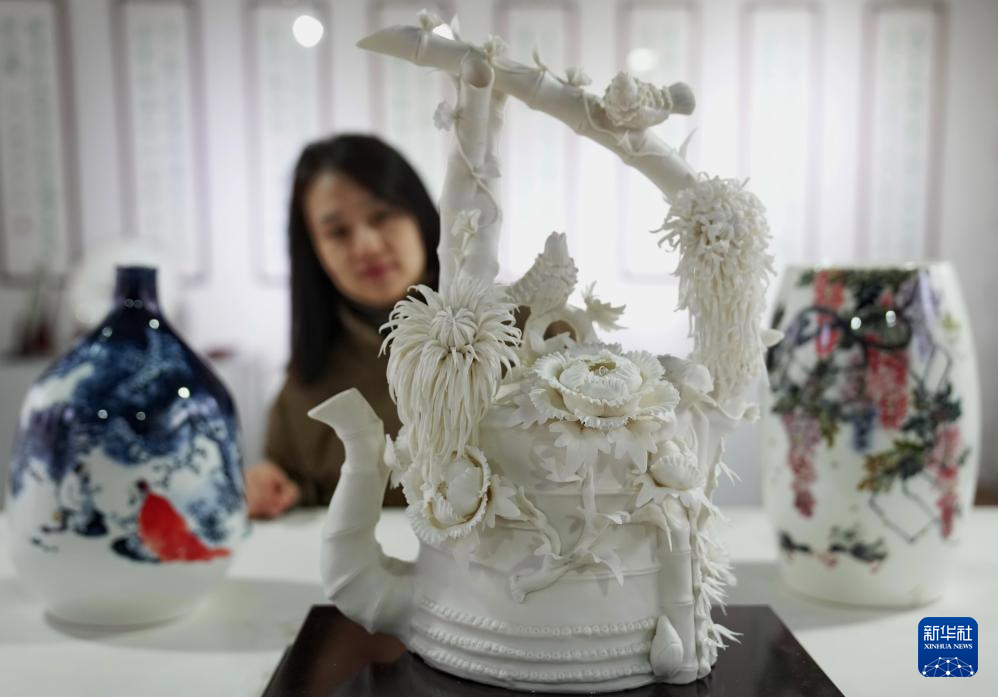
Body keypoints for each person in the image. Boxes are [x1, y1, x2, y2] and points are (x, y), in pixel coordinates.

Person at [244, 135, 439, 519]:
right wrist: (274, 486)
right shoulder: (304, 387)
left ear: (420, 215)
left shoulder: (522, 331)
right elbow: (291, 483)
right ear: (314, 252)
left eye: (381, 215)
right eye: (338, 232)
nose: (366, 246)